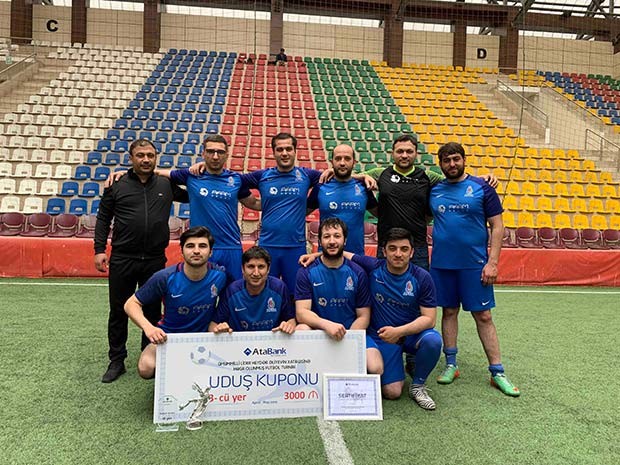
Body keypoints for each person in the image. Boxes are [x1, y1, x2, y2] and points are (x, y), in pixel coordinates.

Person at [300, 227, 442, 410]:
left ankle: (418, 386)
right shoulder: (374, 267)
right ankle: (390, 367)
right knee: (392, 392)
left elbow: (429, 319)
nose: (398, 254)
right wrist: (317, 255)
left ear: (412, 252)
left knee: (433, 340)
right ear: (384, 251)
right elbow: (342, 254)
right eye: (392, 248)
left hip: (409, 334)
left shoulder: (422, 277)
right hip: (382, 337)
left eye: (404, 249)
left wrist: (398, 331)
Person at [94, 138, 189, 383]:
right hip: (123, 258)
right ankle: (117, 360)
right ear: (131, 158)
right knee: (118, 310)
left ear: (156, 158)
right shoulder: (116, 184)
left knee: (152, 310)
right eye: (140, 155)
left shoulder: (166, 184)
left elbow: (194, 194)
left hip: (154, 259)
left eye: (150, 155)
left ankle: (149, 355)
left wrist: (197, 172)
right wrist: (99, 249)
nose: (146, 160)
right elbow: (103, 218)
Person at [429, 142, 519, 397]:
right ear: (440, 164)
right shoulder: (434, 189)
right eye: (446, 160)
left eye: (456, 159)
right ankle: (451, 364)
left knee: (484, 316)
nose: (452, 164)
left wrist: (493, 262)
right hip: (443, 264)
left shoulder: (482, 187)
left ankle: (497, 372)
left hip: (475, 264)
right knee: (448, 311)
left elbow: (497, 226)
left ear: (464, 160)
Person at [124, 226, 227, 380]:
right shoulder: (165, 277)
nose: (196, 251)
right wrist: (149, 328)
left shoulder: (220, 276)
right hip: (169, 337)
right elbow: (131, 304)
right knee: (146, 368)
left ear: (211, 252)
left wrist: (219, 325)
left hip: (204, 337)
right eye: (190, 246)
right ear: (182, 251)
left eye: (202, 246)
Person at [158, 134, 260, 281]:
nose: (215, 156)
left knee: (232, 291)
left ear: (227, 155)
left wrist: (284, 202)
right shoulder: (191, 175)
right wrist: (128, 174)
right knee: (201, 291)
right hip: (201, 247)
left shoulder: (236, 179)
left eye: (220, 152)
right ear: (203, 154)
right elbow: (158, 173)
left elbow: (253, 203)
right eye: (211, 151)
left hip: (230, 247)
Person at [295, 218, 383, 376]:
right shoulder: (306, 272)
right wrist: (327, 325)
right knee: (301, 329)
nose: (332, 241)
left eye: (337, 236)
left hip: (351, 332)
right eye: (326, 236)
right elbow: (302, 313)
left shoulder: (358, 273)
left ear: (345, 240)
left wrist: (348, 339)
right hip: (320, 331)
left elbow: (363, 316)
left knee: (375, 367)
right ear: (320, 241)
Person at [307, 144, 378, 255]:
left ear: (354, 162)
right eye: (338, 158)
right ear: (332, 162)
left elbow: (381, 215)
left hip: (356, 257)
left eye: (347, 159)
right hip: (327, 257)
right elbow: (301, 213)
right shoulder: (320, 187)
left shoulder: (364, 187)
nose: (342, 163)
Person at [212, 246, 296, 334]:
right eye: (251, 267)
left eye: (261, 267)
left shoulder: (279, 288)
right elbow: (213, 324)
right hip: (240, 342)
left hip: (272, 341)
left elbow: (291, 320)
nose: (256, 273)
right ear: (242, 269)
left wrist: (288, 326)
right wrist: (219, 329)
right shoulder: (232, 290)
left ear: (268, 269)